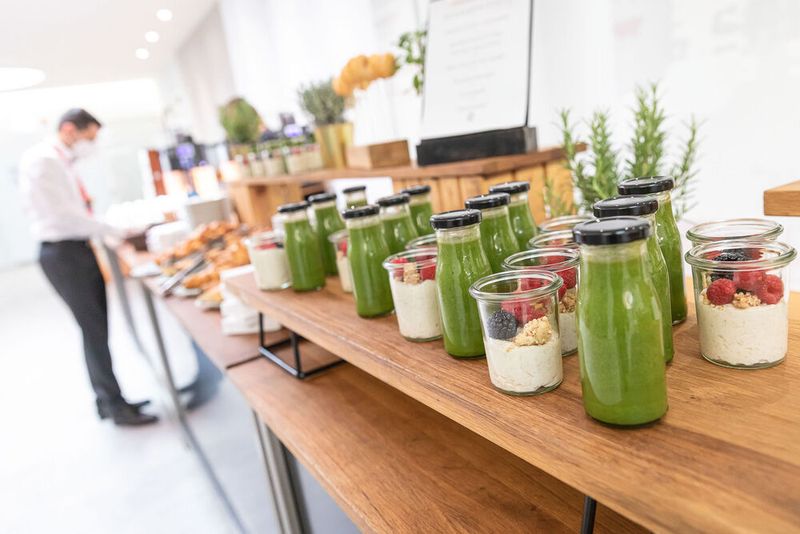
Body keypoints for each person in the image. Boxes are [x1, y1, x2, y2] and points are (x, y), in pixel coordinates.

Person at [18, 108, 157, 426]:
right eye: (89, 136)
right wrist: (116, 229)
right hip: (64, 254)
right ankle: (114, 405)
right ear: (70, 129)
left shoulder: (58, 160)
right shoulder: (45, 160)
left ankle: (108, 400)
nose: (91, 144)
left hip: (73, 250)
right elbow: (65, 216)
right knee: (94, 331)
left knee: (96, 330)